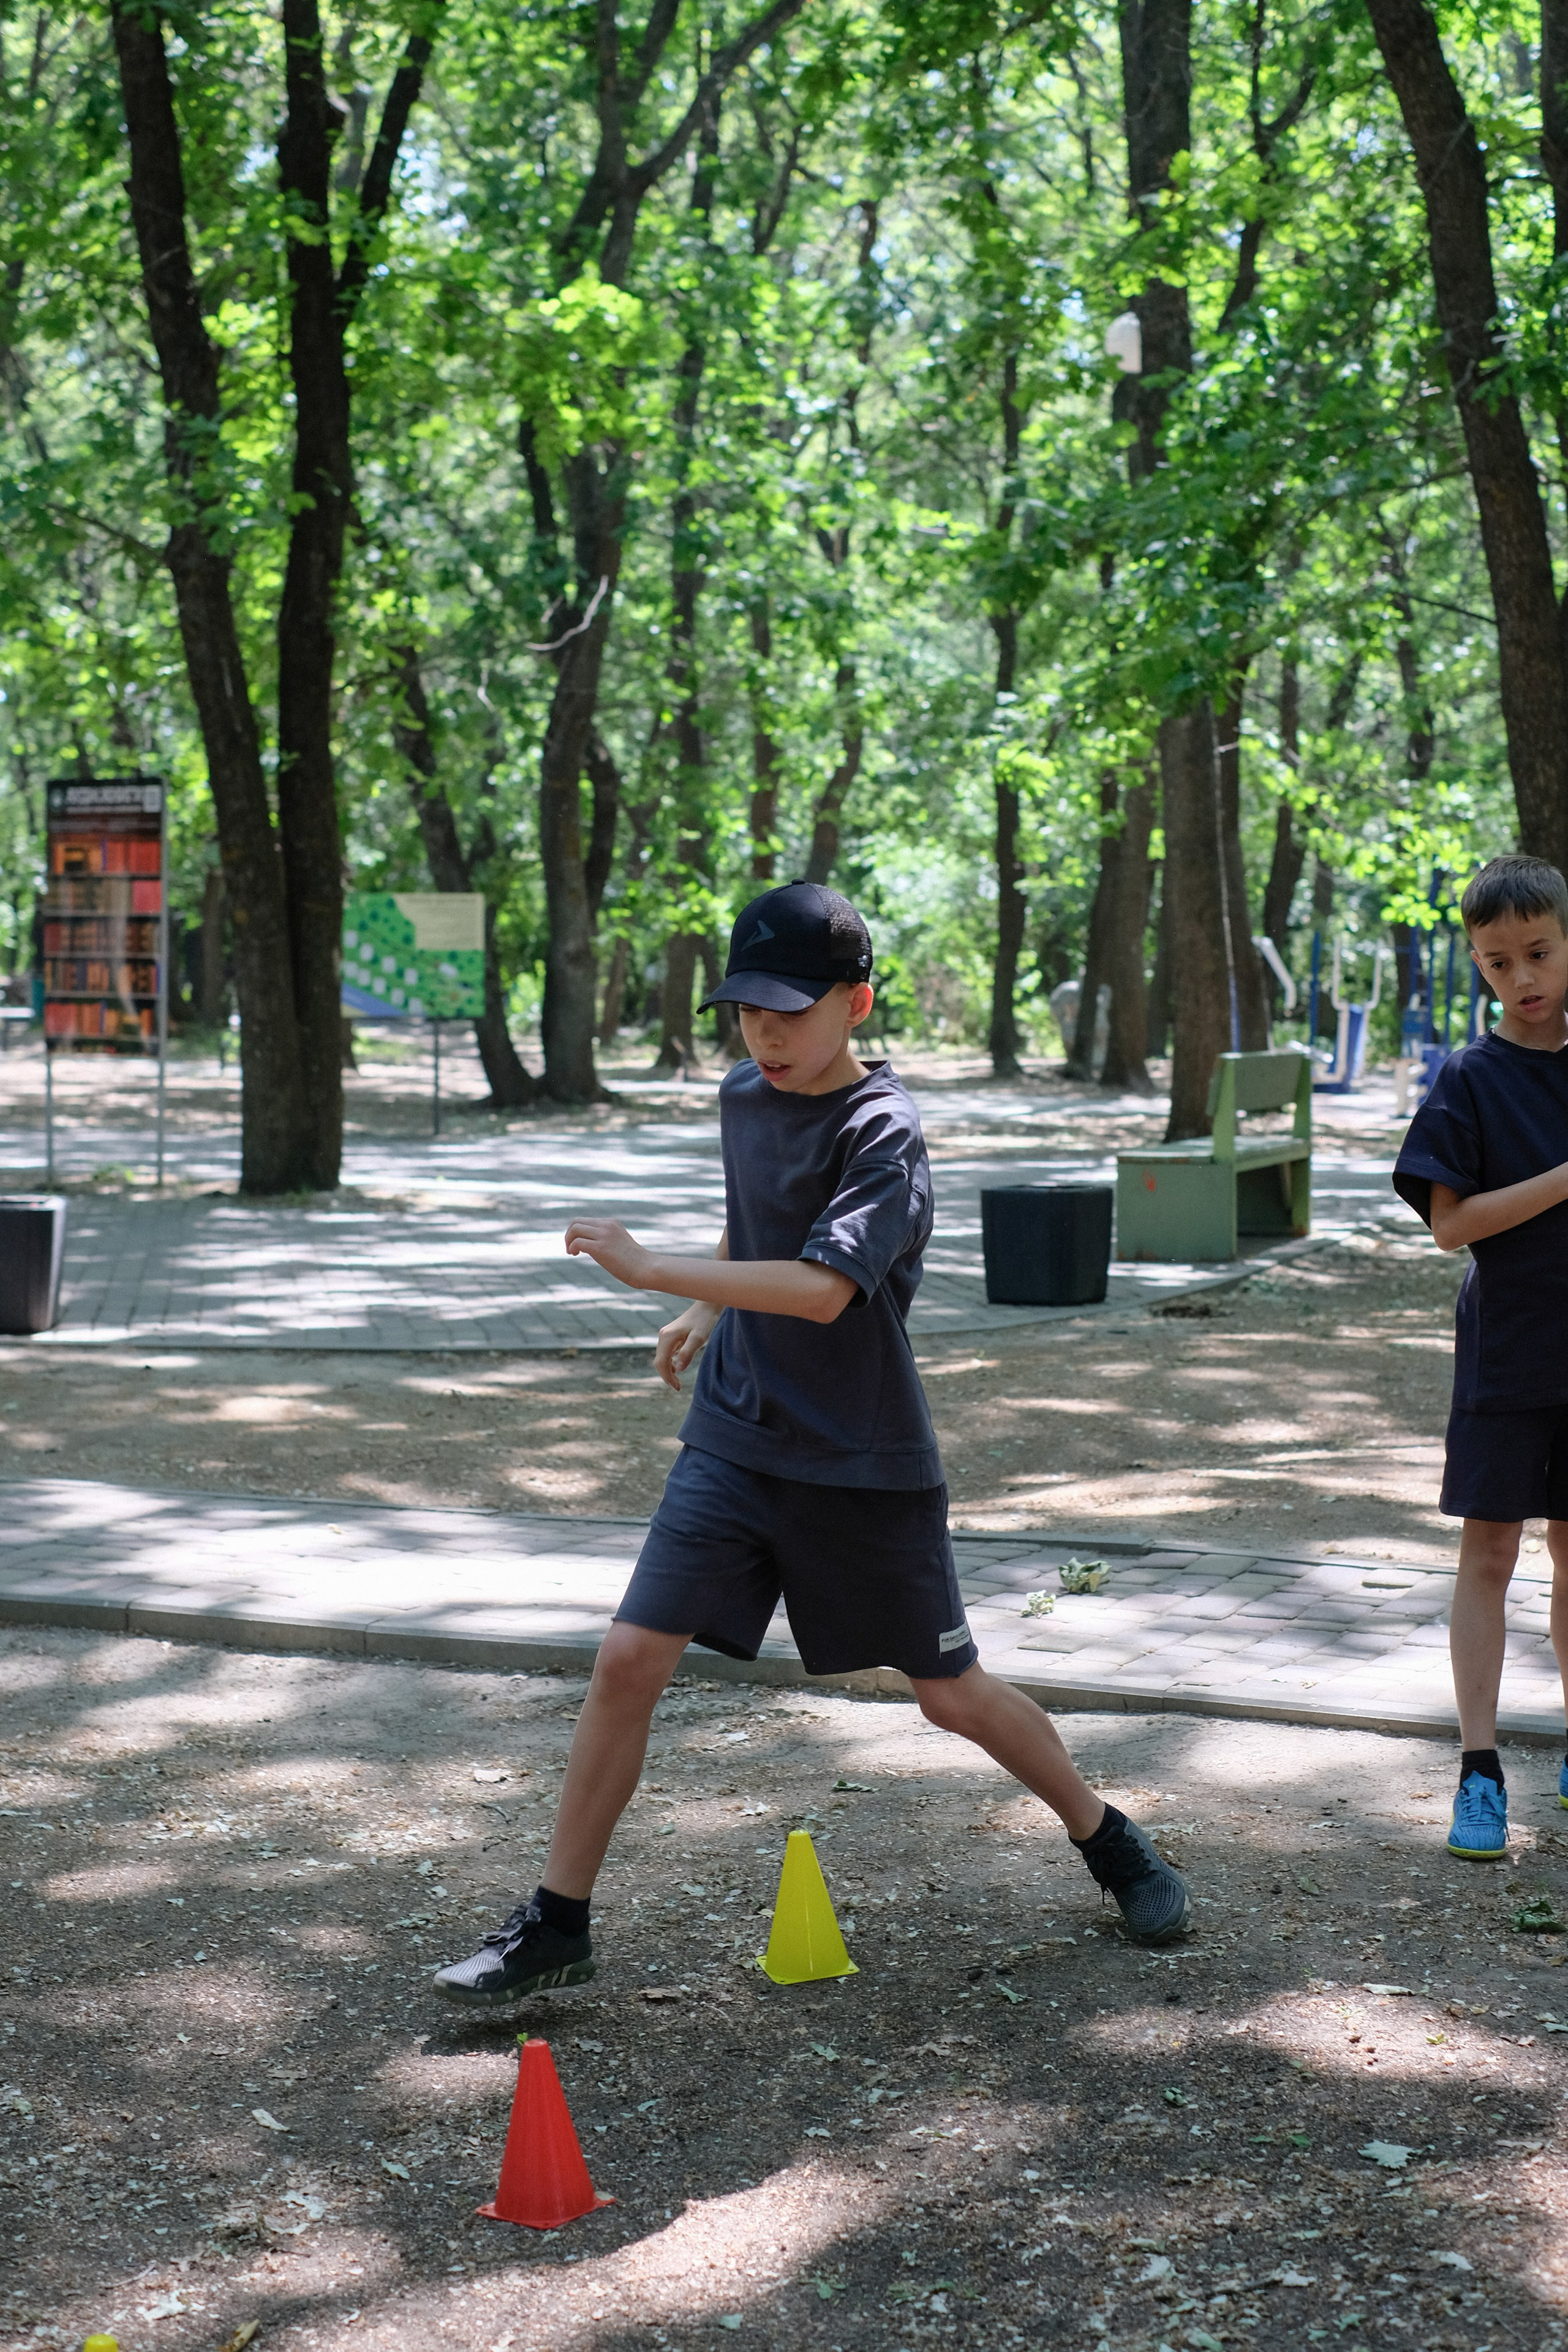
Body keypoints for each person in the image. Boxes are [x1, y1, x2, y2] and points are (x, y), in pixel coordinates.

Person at [434, 880, 1191, 2007]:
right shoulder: (747, 1095)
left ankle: (1106, 1833)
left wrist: (655, 1271)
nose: (765, 1033)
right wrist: (704, 1311)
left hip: (861, 1459)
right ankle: (557, 1922)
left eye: (791, 1009)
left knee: (949, 1693)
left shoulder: (886, 1133)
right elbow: (760, 1227)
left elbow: (826, 1287)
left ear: (859, 1003)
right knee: (628, 1659)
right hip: (736, 1439)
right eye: (747, 1009)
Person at [1393, 853, 1568, 1861]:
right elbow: (1451, 1228)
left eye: (1539, 954)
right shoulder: (1470, 1078)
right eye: (1498, 964)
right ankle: (1480, 1769)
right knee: (1491, 1554)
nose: (1522, 979)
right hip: (1507, 1356)